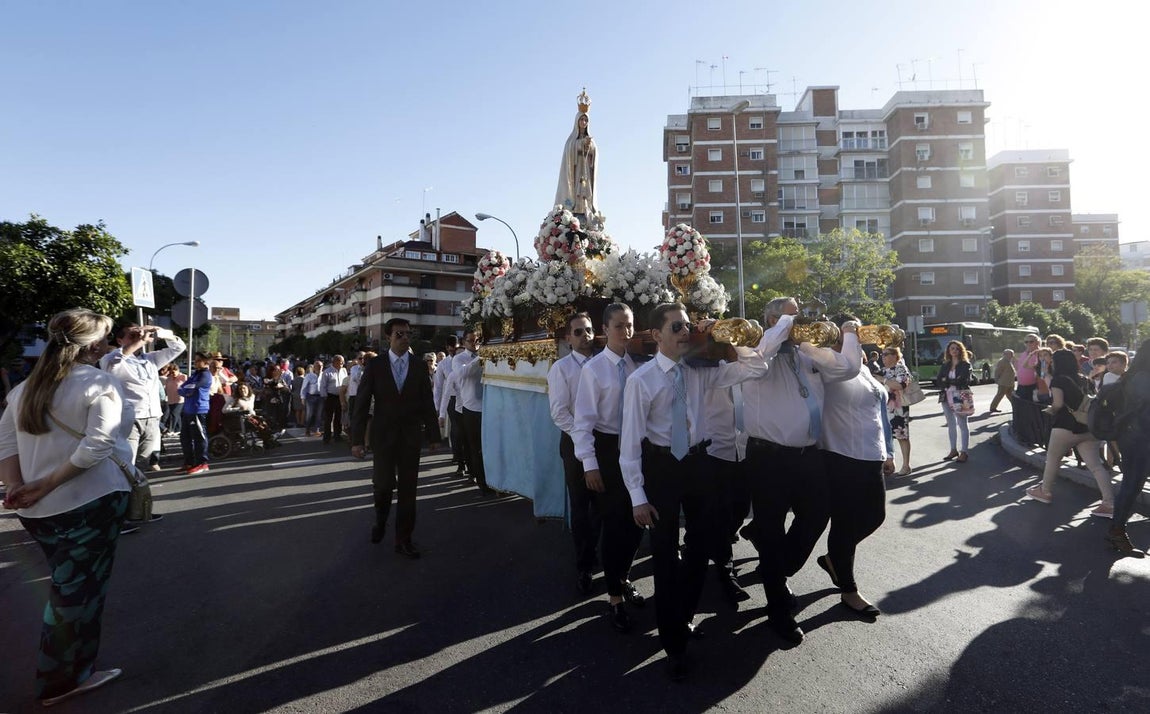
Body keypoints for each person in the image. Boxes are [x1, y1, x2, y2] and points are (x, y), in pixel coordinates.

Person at [621, 303, 768, 680]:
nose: (684, 332)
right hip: (662, 469)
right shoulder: (642, 380)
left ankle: (683, 617)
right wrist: (638, 496)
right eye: (676, 327)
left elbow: (756, 367)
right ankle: (674, 645)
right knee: (666, 558)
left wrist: (724, 331)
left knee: (701, 549)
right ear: (656, 335)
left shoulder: (705, 370)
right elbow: (629, 444)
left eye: (687, 326)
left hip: (700, 464)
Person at [0, 308, 130, 706]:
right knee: (78, 594)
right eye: (106, 338)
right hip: (89, 502)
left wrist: (19, 487)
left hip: (38, 511)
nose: (108, 345)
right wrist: (42, 484)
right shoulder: (99, 383)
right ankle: (62, 679)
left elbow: (5, 446)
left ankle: (70, 672)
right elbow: (98, 445)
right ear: (93, 345)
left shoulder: (22, 389)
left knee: (69, 587)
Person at [740, 297, 862, 647]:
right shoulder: (754, 348)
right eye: (787, 316)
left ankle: (776, 567)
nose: (797, 322)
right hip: (768, 458)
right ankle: (779, 610)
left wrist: (850, 333)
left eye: (797, 315)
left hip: (808, 455)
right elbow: (759, 359)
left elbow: (848, 368)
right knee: (772, 529)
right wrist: (782, 327)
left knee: (817, 515)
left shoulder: (807, 350)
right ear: (771, 320)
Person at [814, 319, 896, 620]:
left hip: (871, 455)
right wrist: (847, 333)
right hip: (841, 455)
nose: (858, 337)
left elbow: (879, 413)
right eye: (851, 332)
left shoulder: (862, 367)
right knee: (845, 524)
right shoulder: (831, 365)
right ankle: (848, 590)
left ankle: (833, 559)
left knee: (875, 516)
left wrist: (888, 452)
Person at [573, 304, 645, 631]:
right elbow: (583, 421)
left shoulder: (635, 364)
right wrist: (590, 464)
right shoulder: (595, 369)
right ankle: (614, 595)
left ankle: (623, 574)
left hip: (635, 448)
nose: (625, 332)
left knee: (636, 522)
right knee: (615, 522)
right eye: (619, 326)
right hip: (606, 449)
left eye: (629, 325)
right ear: (604, 328)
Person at [351, 319, 439, 557]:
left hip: (410, 436)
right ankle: (381, 519)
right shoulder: (375, 366)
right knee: (383, 485)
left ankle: (404, 539)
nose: (405, 338)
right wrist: (357, 440)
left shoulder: (419, 366)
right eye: (399, 334)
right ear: (388, 337)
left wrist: (433, 435)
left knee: (408, 490)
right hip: (383, 436)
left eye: (408, 334)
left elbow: (427, 402)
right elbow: (361, 403)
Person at [547, 312, 602, 596]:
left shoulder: (605, 362)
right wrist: (583, 435)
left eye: (589, 330)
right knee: (581, 507)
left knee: (606, 506)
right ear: (568, 338)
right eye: (578, 332)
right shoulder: (562, 368)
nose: (585, 337)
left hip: (605, 443)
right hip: (575, 444)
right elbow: (559, 413)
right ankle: (584, 565)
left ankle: (612, 564)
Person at [1024, 349, 1114, 517]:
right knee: (1096, 466)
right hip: (1088, 427)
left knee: (1052, 459)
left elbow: (1058, 404)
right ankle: (1109, 503)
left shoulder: (1058, 380)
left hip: (1065, 426)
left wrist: (1050, 410)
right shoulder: (1084, 379)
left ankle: (1045, 491)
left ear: (1056, 363)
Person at [99, 323, 186, 474]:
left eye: (138, 334)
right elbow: (115, 361)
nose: (138, 337)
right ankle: (125, 489)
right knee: (127, 459)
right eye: (131, 336)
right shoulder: (111, 358)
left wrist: (163, 333)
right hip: (131, 418)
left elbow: (178, 348)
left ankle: (134, 485)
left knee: (143, 460)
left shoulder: (151, 359)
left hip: (152, 417)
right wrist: (140, 341)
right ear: (120, 341)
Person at [1109, 339, 1150, 556]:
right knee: (1132, 485)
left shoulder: (1135, 375)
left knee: (1132, 484)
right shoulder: (1142, 378)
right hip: (1139, 440)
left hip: (1134, 438)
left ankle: (1117, 530)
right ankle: (1116, 531)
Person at [453, 330, 492, 496]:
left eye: (477, 341)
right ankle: (482, 483)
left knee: (490, 447)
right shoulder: (459, 358)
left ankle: (493, 481)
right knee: (475, 448)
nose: (474, 344)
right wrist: (480, 358)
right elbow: (463, 373)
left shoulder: (485, 356)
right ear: (464, 342)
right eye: (471, 341)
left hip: (489, 406)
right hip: (471, 408)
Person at [555, 90, 598, 221]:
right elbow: (570, 150)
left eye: (586, 120)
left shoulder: (591, 140)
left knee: (585, 191)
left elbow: (594, 153)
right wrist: (580, 145)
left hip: (586, 171)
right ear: (577, 121)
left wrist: (589, 146)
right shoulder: (571, 140)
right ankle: (572, 212)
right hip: (575, 172)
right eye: (582, 119)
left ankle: (586, 210)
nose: (584, 122)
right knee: (576, 191)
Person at [937, 340, 973, 463]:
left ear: (960, 350)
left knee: (962, 423)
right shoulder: (945, 364)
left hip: (960, 395)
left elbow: (963, 380)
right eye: (952, 348)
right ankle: (953, 450)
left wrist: (946, 380)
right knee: (950, 423)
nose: (954, 351)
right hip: (946, 395)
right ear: (948, 351)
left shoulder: (965, 365)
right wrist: (948, 380)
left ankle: (964, 452)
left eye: (957, 349)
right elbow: (939, 380)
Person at [880, 346, 913, 475]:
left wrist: (883, 380)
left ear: (895, 356)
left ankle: (906, 465)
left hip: (898, 407)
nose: (883, 357)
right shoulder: (883, 370)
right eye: (882, 354)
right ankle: (888, 464)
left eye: (886, 354)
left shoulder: (900, 368)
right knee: (886, 436)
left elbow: (901, 385)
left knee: (901, 436)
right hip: (885, 407)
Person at [179, 353, 213, 474]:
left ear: (206, 362)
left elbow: (192, 388)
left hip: (198, 409)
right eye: (195, 360)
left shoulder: (205, 375)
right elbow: (182, 388)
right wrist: (186, 389)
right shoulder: (195, 374)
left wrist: (187, 389)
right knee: (185, 437)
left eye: (198, 360)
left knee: (199, 437)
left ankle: (202, 463)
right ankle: (189, 462)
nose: (195, 362)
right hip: (188, 409)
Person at [320, 355, 348, 443]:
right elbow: (323, 386)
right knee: (328, 417)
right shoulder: (327, 372)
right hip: (330, 396)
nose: (343, 364)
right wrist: (325, 396)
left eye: (343, 362)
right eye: (341, 362)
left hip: (340, 396)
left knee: (339, 416)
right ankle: (327, 436)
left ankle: (337, 435)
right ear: (335, 362)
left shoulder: (344, 370)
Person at [161, 363, 186, 435]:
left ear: (177, 370)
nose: (172, 374)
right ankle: (178, 429)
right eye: (170, 372)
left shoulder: (183, 377)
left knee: (174, 414)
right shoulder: (168, 379)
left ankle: (171, 429)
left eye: (173, 372)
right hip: (171, 399)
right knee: (176, 415)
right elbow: (166, 388)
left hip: (180, 399)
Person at [1015, 334, 1041, 401]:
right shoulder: (1024, 353)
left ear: (1037, 342)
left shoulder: (1041, 353)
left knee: (1032, 409)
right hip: (1021, 387)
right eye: (1026, 342)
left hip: (1034, 387)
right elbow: (1020, 370)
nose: (1028, 343)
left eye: (1031, 341)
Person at [301, 360, 323, 436]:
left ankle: (317, 430)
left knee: (319, 414)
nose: (319, 367)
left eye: (321, 366)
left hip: (321, 397)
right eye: (317, 366)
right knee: (309, 414)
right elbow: (304, 387)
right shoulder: (309, 376)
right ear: (314, 367)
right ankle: (307, 430)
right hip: (310, 397)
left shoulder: (323, 375)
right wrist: (303, 398)